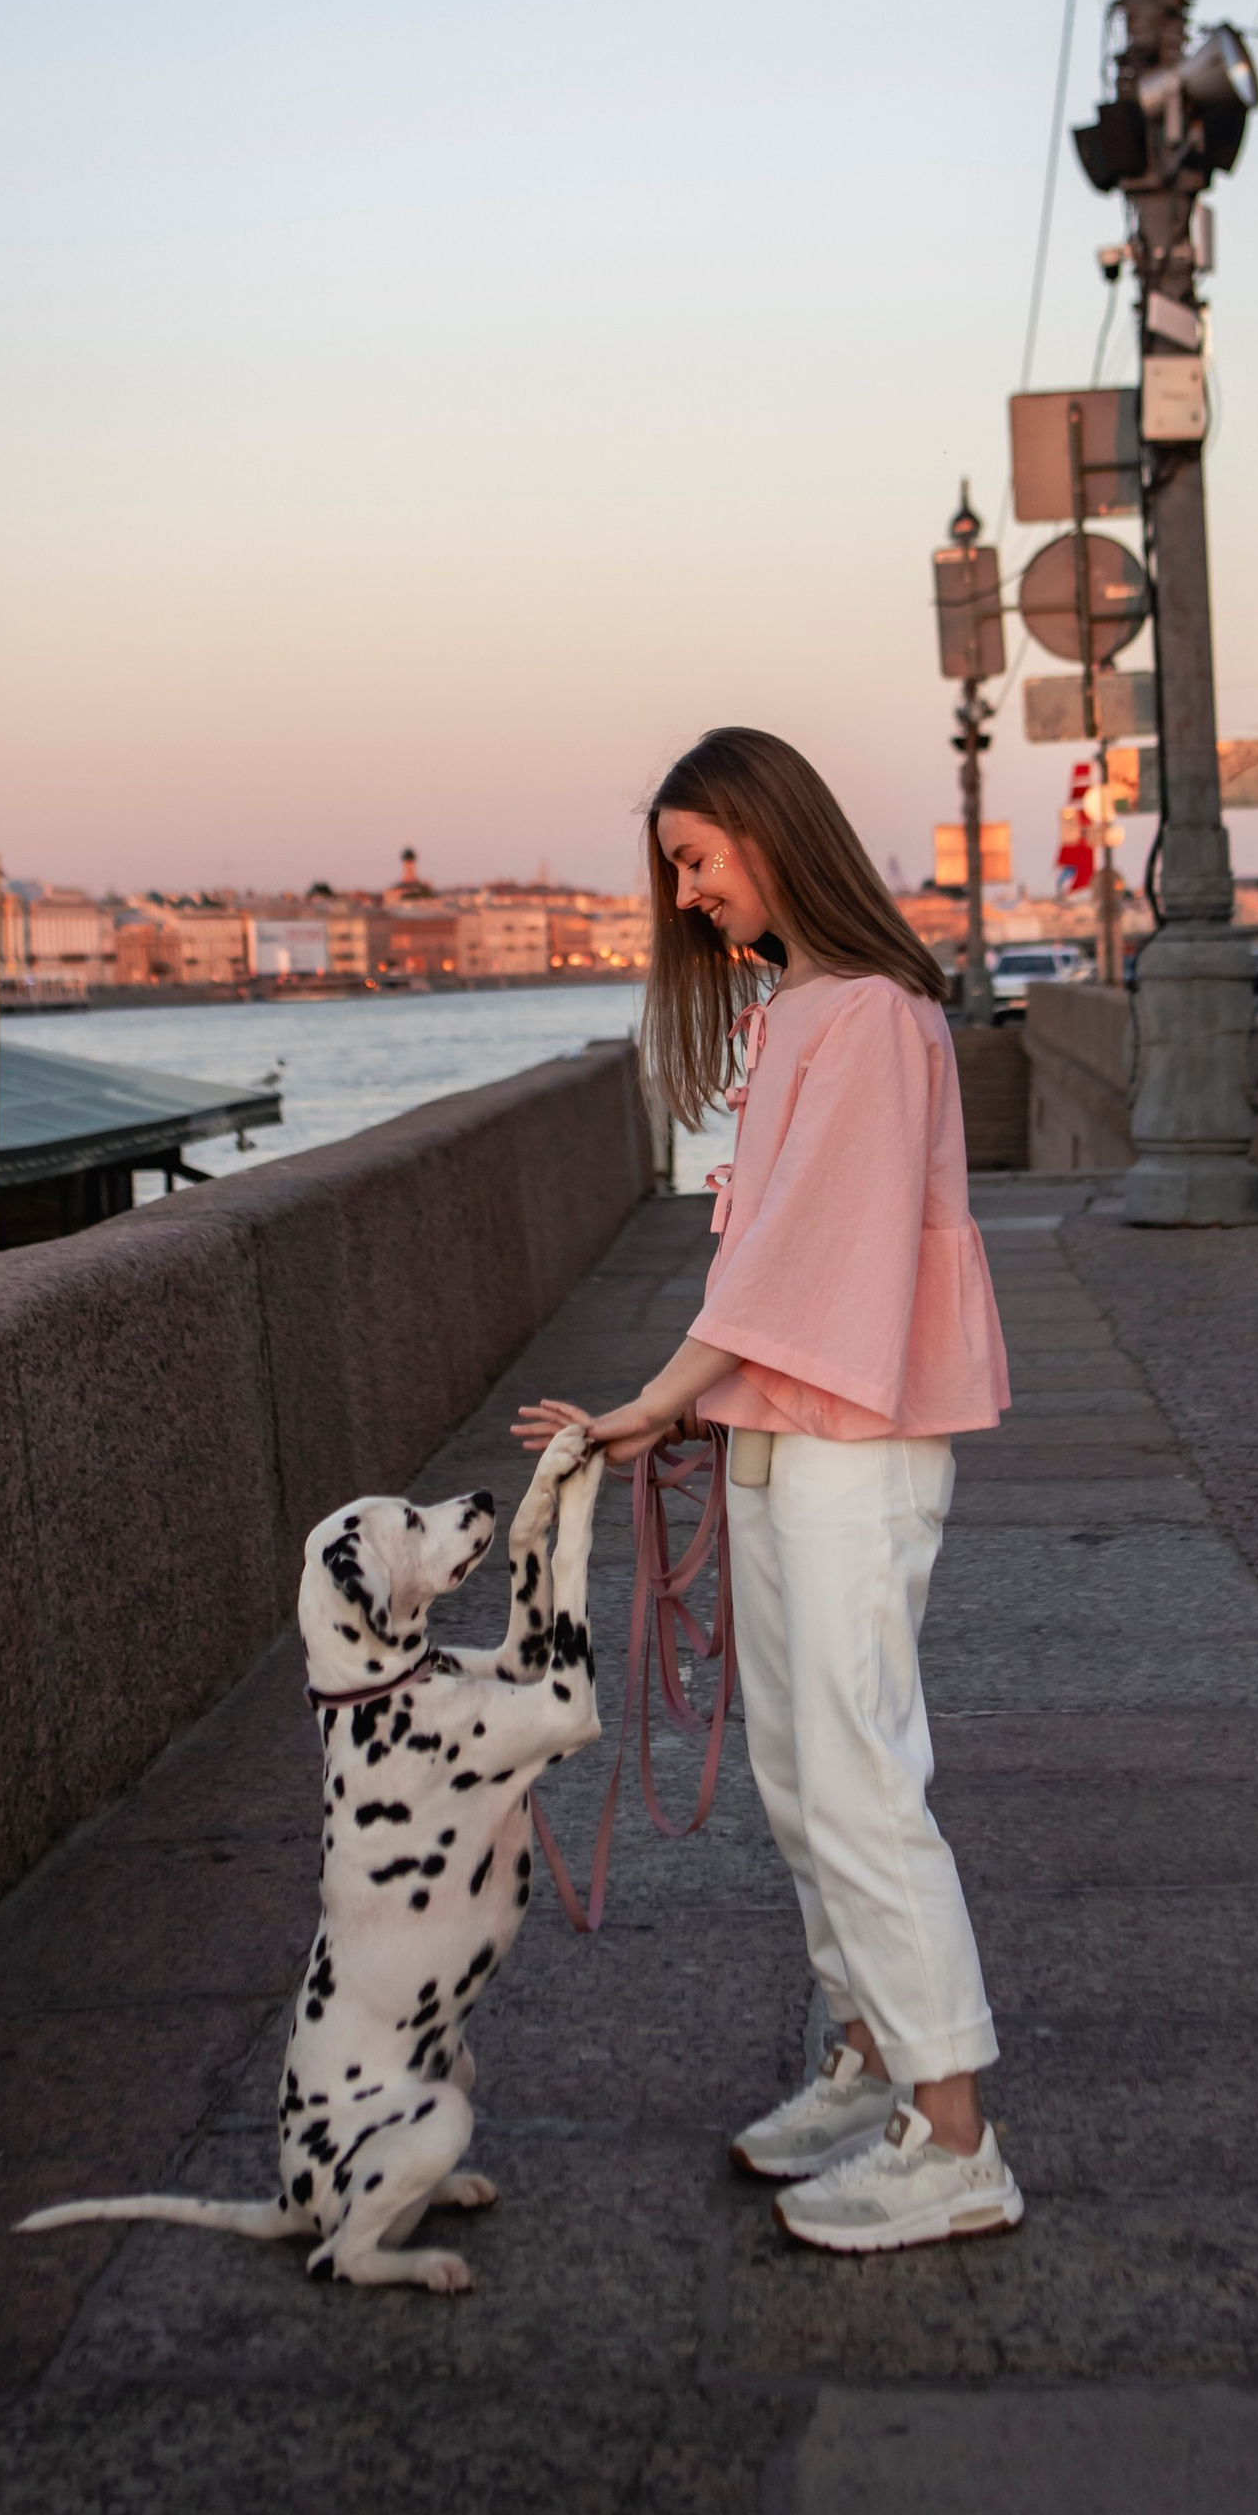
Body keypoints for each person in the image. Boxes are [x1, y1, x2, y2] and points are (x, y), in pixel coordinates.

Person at [512, 725, 1021, 2255]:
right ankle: (872, 2059)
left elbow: (807, 1252)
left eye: (696, 860)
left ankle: (953, 2136)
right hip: (790, 1424)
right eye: (673, 868)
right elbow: (782, 1263)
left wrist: (657, 1398)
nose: (684, 897)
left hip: (854, 1440)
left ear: (770, 833)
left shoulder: (864, 1013)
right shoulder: (803, 1006)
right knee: (803, 1777)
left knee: (860, 1775)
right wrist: (701, 1408)